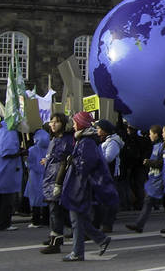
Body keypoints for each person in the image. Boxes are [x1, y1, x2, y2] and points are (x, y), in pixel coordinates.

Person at [60, 111, 115, 262]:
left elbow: (86, 165)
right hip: (78, 184)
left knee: (76, 219)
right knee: (79, 219)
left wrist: (73, 160)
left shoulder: (86, 141)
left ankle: (78, 252)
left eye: (75, 122)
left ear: (81, 123)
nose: (73, 125)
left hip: (80, 186)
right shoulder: (83, 139)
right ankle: (101, 239)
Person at [39, 112, 75, 254]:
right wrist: (47, 161)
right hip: (50, 178)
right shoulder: (55, 139)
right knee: (58, 211)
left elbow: (64, 162)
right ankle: (57, 235)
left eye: (57, 122)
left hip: (57, 180)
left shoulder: (66, 141)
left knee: (56, 211)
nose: (53, 124)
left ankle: (56, 241)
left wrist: (58, 184)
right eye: (51, 121)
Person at [126, 125, 164, 233]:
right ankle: (139, 224)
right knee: (149, 201)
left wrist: (150, 163)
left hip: (160, 178)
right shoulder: (154, 145)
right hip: (154, 178)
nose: (149, 136)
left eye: (151, 134)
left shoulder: (161, 146)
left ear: (156, 134)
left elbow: (164, 162)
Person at [94, 119, 123, 232]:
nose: (97, 130)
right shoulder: (104, 140)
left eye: (99, 128)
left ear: (105, 130)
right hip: (103, 173)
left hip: (110, 173)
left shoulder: (112, 142)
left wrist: (96, 158)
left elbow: (108, 158)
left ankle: (107, 223)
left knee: (109, 200)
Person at [25, 127, 50, 228]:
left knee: (35, 199)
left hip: (34, 177)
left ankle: (36, 221)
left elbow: (28, 163)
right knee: (46, 199)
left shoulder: (32, 149)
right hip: (47, 176)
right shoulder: (49, 148)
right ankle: (46, 220)